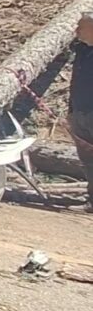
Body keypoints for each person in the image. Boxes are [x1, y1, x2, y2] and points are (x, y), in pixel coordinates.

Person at [68, 12, 93, 213]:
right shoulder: (82, 51)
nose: (76, 30)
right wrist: (71, 110)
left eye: (81, 26)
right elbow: (75, 83)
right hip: (81, 113)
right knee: (88, 161)